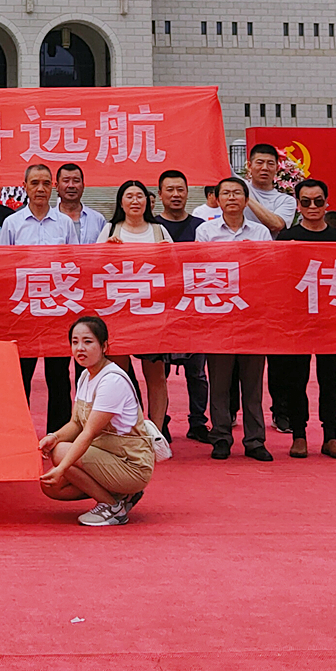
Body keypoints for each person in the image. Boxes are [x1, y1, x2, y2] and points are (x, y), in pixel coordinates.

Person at [38, 315, 153, 526]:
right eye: (75, 342)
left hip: (130, 463)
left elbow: (88, 432)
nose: (80, 348)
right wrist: (54, 437)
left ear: (104, 346)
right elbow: (76, 423)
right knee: (52, 486)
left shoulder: (111, 380)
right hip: (105, 455)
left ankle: (112, 507)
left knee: (61, 454)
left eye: (88, 341)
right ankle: (122, 497)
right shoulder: (85, 376)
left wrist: (61, 467)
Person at [271, 177, 336, 460]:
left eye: (318, 201)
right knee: (296, 379)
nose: (313, 206)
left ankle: (331, 436)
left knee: (330, 379)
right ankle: (299, 435)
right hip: (297, 319)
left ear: (327, 203)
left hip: (331, 318)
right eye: (306, 202)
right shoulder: (287, 238)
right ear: (298, 205)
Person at [196, 177, 274, 462]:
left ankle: (255, 440)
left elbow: (268, 268)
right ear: (216, 199)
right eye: (226, 193)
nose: (232, 197)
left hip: (252, 316)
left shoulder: (260, 232)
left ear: (246, 199)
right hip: (218, 316)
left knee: (252, 383)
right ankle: (220, 436)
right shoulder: (205, 231)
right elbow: (200, 268)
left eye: (237, 193)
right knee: (219, 382)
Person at [1, 163, 77, 430]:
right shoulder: (12, 223)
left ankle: (59, 436)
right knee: (21, 375)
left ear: (53, 187)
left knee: (59, 377)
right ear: (25, 187)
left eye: (46, 183)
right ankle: (18, 433)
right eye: (34, 183)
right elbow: (2, 268)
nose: (40, 189)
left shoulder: (65, 223)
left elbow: (74, 265)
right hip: (23, 311)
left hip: (56, 310)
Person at [100, 179, 175, 438]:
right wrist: (106, 251)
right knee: (119, 376)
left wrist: (168, 253)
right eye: (129, 196)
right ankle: (125, 432)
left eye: (140, 196)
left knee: (156, 377)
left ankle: (157, 433)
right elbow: (95, 267)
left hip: (152, 314)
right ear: (120, 202)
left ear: (148, 201)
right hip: (119, 314)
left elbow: (176, 269)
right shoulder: (110, 229)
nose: (135, 201)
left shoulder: (159, 231)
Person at [152, 169, 211, 443]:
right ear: (160, 194)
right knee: (158, 372)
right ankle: (160, 422)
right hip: (160, 309)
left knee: (197, 372)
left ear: (188, 192)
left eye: (180, 189)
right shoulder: (151, 226)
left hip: (194, 307)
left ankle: (198, 422)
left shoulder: (202, 227)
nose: (176, 195)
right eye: (170, 190)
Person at [241, 142, 294, 235]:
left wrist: (243, 194)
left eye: (270, 164)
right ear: (249, 166)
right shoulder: (238, 186)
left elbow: (276, 225)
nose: (265, 168)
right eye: (259, 163)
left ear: (277, 168)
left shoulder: (286, 200)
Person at [54, 163, 106, 244]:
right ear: (57, 186)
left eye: (76, 181)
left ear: (83, 186)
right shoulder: (49, 220)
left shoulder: (98, 219)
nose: (71, 186)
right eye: (66, 181)